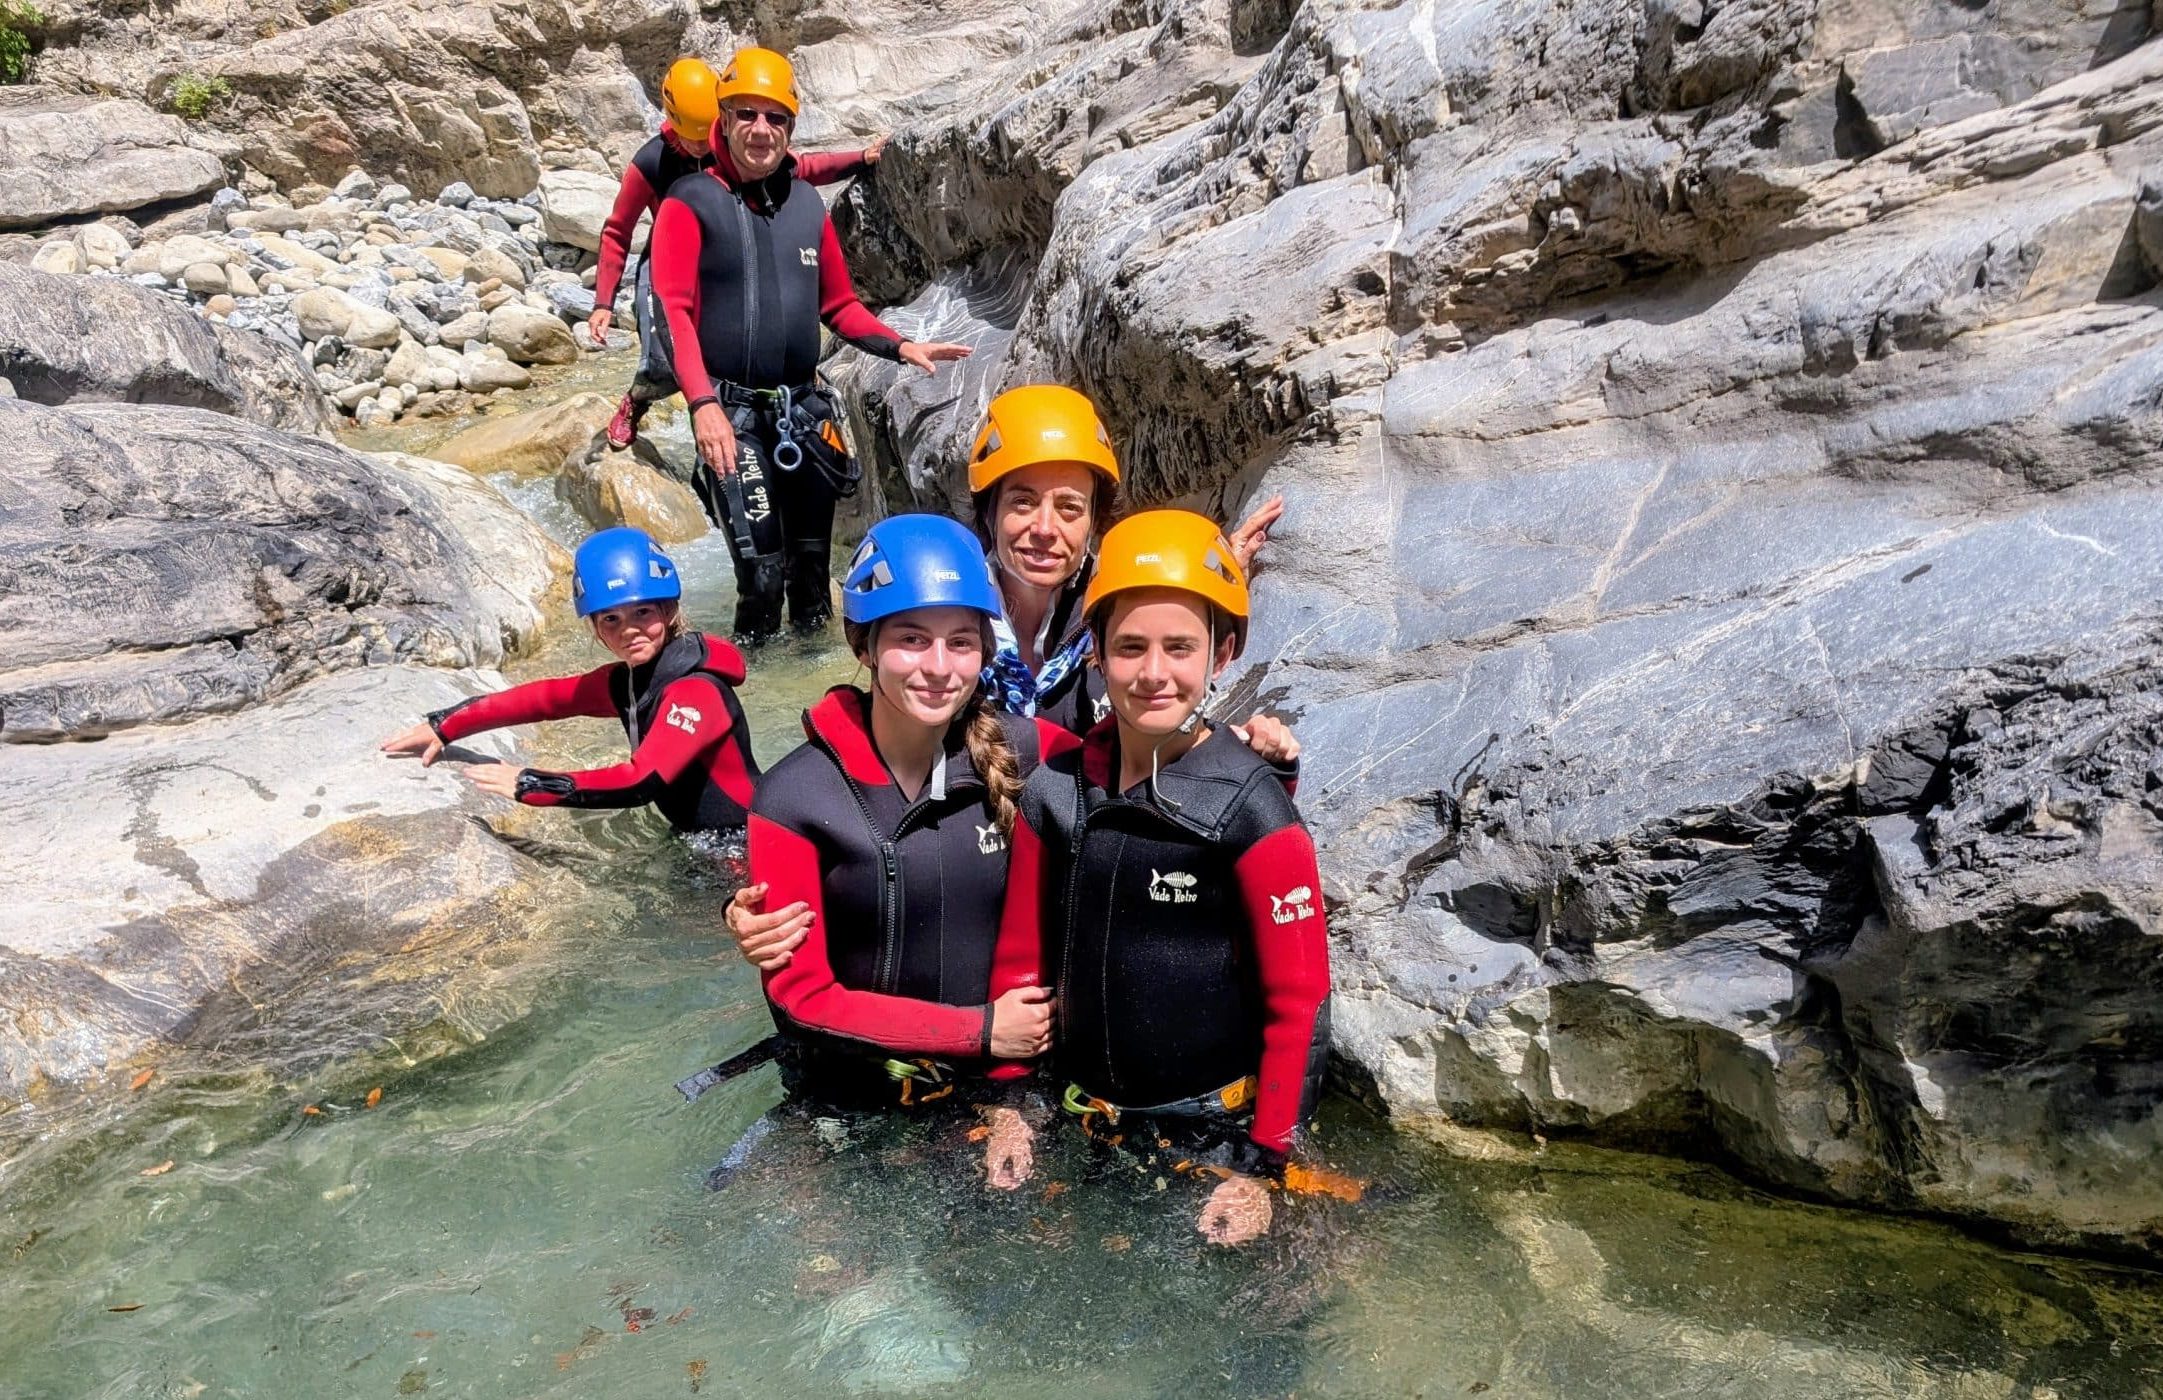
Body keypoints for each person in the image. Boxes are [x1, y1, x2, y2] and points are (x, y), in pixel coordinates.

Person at [991, 509, 1331, 1246]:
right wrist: (1009, 1106)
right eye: (1129, 647)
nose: (1152, 673)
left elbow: (1298, 1002)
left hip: (1215, 1130)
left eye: (1180, 647)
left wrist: (1263, 1165)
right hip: (1080, 1118)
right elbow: (1022, 960)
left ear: (1223, 652)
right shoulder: (1052, 791)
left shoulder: (1253, 810)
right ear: (1096, 654)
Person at [738, 514, 1077, 1184]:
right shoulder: (794, 799)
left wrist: (1262, 762)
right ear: (864, 646)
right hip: (848, 1095)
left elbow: (1147, 781)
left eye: (960, 642)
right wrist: (981, 1031)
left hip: (995, 1093)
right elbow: (803, 998)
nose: (939, 668)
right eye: (911, 639)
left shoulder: (1026, 751)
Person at [651, 45, 972, 644]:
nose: (760, 129)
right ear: (722, 119)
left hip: (802, 413)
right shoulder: (687, 204)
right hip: (731, 418)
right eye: (746, 114)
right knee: (763, 578)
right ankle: (747, 700)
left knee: (812, 582)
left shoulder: (805, 205)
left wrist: (903, 347)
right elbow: (674, 313)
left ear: (791, 128)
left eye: (775, 118)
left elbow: (839, 306)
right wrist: (702, 406)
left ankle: (807, 706)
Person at [590, 56, 888, 452]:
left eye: (704, 135)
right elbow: (618, 230)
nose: (700, 146)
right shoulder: (651, 161)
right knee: (664, 358)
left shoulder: (735, 145)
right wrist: (602, 302)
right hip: (669, 260)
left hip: (724, 254)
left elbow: (801, 168)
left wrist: (859, 158)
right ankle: (638, 400)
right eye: (691, 138)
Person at [378, 528, 759, 833]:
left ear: (670, 609)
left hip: (746, 843)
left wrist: (530, 783)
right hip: (703, 839)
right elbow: (545, 699)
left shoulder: (695, 692)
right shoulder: (628, 682)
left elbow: (639, 782)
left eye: (642, 612)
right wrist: (444, 726)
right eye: (611, 619)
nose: (629, 630)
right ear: (595, 629)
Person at [966, 385, 1285, 734]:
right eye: (1023, 502)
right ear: (990, 512)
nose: (1045, 528)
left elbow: (1171, 708)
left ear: (1094, 521)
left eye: (1069, 507)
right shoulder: (945, 615)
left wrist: (1205, 591)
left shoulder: (1118, 608)